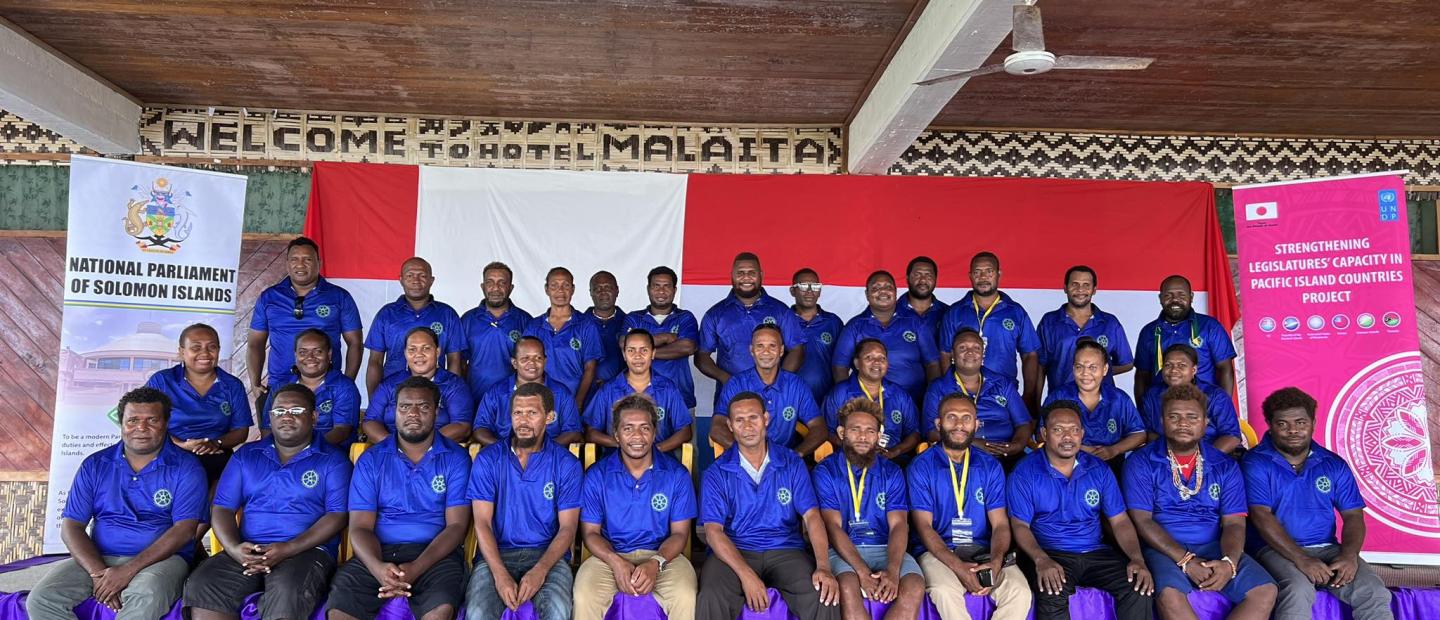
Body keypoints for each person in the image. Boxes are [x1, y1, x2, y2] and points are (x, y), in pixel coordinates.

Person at [28, 388, 206, 620]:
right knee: (42, 599)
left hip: (162, 560)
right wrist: (99, 575)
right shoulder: (95, 465)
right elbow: (71, 526)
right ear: (120, 422)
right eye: (132, 420)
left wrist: (127, 571)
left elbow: (184, 531)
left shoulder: (187, 467)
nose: (141, 428)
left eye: (152, 420)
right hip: (100, 557)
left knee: (147, 594)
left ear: (166, 422)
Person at [185, 384, 351, 620]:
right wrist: (234, 549)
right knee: (205, 582)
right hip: (248, 549)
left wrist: (288, 548)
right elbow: (222, 507)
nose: (286, 417)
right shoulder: (247, 455)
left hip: (306, 551)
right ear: (270, 417)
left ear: (313, 417)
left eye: (296, 411)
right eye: (279, 411)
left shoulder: (333, 460)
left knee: (288, 590)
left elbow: (338, 515)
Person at [1124, 384, 1276, 620]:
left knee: (1265, 591)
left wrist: (1229, 563)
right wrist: (1185, 560)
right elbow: (1142, 521)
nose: (1183, 423)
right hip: (1163, 549)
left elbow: (1234, 523)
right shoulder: (1141, 462)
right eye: (1174, 417)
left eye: (1192, 417)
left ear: (1205, 423)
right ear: (1162, 421)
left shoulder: (1225, 465)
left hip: (1213, 545)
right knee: (1169, 595)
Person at [326, 377, 470, 620]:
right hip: (377, 552)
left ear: (436, 411)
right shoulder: (372, 460)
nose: (413, 413)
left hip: (436, 555)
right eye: (404, 407)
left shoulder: (456, 459)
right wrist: (377, 568)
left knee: (440, 611)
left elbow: (456, 526)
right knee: (340, 611)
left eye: (423, 407)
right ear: (394, 411)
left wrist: (416, 568)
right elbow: (360, 526)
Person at [1244, 387, 1392, 620]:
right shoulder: (1256, 462)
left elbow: (1353, 515)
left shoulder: (1333, 464)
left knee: (1373, 592)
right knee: (1297, 590)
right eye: (1282, 424)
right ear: (1270, 425)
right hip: (1272, 549)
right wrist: (1302, 559)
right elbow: (1261, 516)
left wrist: (1349, 555)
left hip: (1327, 548)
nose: (1293, 430)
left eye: (1301, 422)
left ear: (1313, 422)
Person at [697, 392, 839, 620]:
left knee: (823, 594)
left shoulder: (792, 462)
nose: (747, 426)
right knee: (711, 596)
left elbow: (812, 517)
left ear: (766, 419)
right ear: (730, 426)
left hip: (786, 549)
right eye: (739, 420)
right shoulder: (717, 472)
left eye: (753, 417)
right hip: (736, 550)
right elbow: (713, 533)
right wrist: (746, 575)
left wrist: (823, 566)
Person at [1007, 401, 1153, 620]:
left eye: (1074, 430)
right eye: (1058, 430)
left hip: (1095, 552)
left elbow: (1120, 521)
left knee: (1138, 587)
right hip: (1051, 552)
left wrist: (1137, 559)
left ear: (1082, 433)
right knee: (1052, 590)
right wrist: (1040, 559)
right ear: (1044, 434)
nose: (1068, 437)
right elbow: (1019, 525)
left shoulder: (1099, 468)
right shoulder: (1025, 472)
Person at [575, 394, 698, 620]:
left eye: (644, 428)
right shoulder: (597, 476)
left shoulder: (676, 475)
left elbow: (680, 534)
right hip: (608, 556)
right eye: (628, 428)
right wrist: (615, 561)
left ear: (654, 433)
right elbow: (590, 534)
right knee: (584, 595)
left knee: (685, 594)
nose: (637, 436)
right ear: (616, 434)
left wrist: (656, 562)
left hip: (663, 556)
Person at [909, 394, 1032, 620]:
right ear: (938, 424)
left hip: (983, 550)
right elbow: (924, 528)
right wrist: (958, 567)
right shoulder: (921, 466)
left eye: (966, 418)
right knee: (944, 592)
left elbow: (1000, 524)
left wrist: (995, 561)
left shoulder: (990, 466)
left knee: (1020, 592)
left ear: (977, 424)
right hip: (939, 552)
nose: (959, 425)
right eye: (951, 417)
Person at [467, 382, 583, 620]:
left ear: (549, 417)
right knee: (478, 612)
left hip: (547, 555)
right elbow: (482, 523)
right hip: (497, 555)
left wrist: (540, 570)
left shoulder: (566, 464)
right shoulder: (488, 460)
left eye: (532, 413)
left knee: (558, 611)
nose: (523, 420)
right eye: (517, 413)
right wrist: (499, 575)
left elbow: (568, 528)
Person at [815, 398, 925, 620]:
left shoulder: (892, 471)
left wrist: (893, 571)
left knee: (913, 587)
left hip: (886, 547)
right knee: (847, 586)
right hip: (843, 548)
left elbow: (898, 525)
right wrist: (863, 573)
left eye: (870, 431)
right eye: (855, 430)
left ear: (878, 435)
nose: (863, 436)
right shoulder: (825, 471)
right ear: (842, 432)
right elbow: (833, 528)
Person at [248, 236, 363, 407]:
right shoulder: (269, 297)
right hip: (281, 385)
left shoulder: (340, 297)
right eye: (294, 259)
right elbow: (255, 344)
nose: (300, 265)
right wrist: (254, 384)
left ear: (319, 263)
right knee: (280, 433)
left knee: (330, 433)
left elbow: (355, 343)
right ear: (287, 264)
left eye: (307, 259)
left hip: (327, 386)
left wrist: (347, 382)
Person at [145, 323, 251, 484]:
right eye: (196, 347)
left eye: (212, 347)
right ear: (181, 352)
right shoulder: (162, 381)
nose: (205, 353)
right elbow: (147, 422)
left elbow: (241, 431)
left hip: (216, 455)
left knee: (226, 488)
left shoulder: (232, 385)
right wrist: (181, 444)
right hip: (169, 453)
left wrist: (215, 443)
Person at [938, 252, 1041, 410]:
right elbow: (945, 354)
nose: (983, 277)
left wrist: (1029, 394)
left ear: (999, 274)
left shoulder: (1016, 312)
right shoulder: (955, 312)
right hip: (961, 395)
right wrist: (949, 390)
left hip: (1003, 394)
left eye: (989, 271)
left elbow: (1030, 354)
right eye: (977, 272)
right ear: (970, 276)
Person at [697, 252, 806, 397]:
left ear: (761, 274)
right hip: (731, 395)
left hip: (772, 396)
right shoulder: (715, 314)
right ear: (732, 275)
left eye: (751, 272)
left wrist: (779, 381)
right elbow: (701, 356)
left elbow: (797, 350)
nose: (746, 277)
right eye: (740, 273)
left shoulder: (781, 311)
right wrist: (727, 379)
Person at [923, 328, 1031, 470]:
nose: (970, 352)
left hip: (1004, 455)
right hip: (957, 454)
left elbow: (1023, 423)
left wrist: (1015, 446)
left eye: (976, 348)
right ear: (952, 354)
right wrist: (973, 443)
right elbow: (931, 432)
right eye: (962, 347)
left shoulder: (1002, 383)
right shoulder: (938, 387)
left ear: (983, 354)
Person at [713, 324, 827, 456]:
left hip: (785, 462)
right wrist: (748, 455)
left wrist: (796, 456)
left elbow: (819, 428)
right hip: (744, 461)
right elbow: (717, 428)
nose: (766, 352)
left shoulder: (796, 385)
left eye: (772, 346)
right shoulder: (736, 384)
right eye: (760, 346)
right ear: (752, 350)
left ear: (781, 350)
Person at [832, 270, 941, 406]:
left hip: (914, 403)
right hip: (867, 407)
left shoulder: (915, 322)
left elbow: (933, 364)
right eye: (876, 288)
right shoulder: (855, 327)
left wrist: (932, 399)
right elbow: (839, 367)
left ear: (896, 292)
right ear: (867, 294)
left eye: (888, 287)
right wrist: (848, 400)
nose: (883, 291)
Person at [1042, 339, 1146, 475]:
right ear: (1073, 368)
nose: (1085, 373)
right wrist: (1080, 448)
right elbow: (1042, 434)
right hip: (1067, 464)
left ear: (1105, 369)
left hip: (1112, 465)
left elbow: (1139, 434)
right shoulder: (1058, 397)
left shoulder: (1118, 398)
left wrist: (1113, 450)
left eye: (1092, 367)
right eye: (1079, 367)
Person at [364, 257, 464, 395]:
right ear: (401, 279)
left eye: (422, 275)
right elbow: (375, 361)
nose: (416, 280)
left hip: (435, 393)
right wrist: (374, 402)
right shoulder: (386, 314)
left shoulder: (448, 314)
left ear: (431, 280)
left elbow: (454, 360)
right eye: (410, 275)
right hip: (392, 393)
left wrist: (452, 396)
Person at [584, 329, 693, 455]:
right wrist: (626, 446)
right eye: (631, 350)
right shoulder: (608, 390)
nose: (637, 356)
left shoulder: (668, 389)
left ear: (653, 353)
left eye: (644, 350)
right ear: (624, 355)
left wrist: (654, 450)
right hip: (617, 461)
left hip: (659, 462)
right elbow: (591, 433)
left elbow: (685, 431)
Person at [363, 327, 474, 444]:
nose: (419, 354)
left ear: (437, 352)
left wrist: (423, 446)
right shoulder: (389, 384)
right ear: (405, 353)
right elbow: (370, 421)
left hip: (437, 453)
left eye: (426, 348)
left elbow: (462, 426)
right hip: (392, 452)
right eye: (412, 349)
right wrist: (396, 447)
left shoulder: (454, 385)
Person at [1133, 275, 1237, 398]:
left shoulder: (1210, 326)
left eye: (1181, 295)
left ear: (1191, 297)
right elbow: (1142, 376)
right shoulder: (1148, 332)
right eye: (1168, 295)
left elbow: (1225, 368)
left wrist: (1222, 408)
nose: (1175, 300)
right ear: (1160, 298)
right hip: (1160, 408)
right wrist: (1142, 414)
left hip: (1205, 407)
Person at [1035, 265, 1133, 392]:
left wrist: (1095, 372)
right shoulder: (1049, 322)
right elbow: (1040, 366)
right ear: (1065, 288)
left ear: (1094, 290)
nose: (1080, 289)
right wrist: (1035, 405)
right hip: (1061, 402)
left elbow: (1127, 363)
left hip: (1102, 404)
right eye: (1074, 284)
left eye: (1086, 285)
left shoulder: (1110, 323)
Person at [471, 336, 582, 447]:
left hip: (549, 459)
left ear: (545, 361)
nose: (532, 363)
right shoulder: (496, 392)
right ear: (514, 363)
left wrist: (543, 451)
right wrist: (506, 450)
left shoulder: (561, 393)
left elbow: (573, 432)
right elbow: (480, 429)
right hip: (504, 457)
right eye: (525, 359)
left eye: (538, 358)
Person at [822, 339, 921, 461]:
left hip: (892, 462)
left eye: (882, 358)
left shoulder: (899, 395)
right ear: (857, 363)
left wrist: (894, 451)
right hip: (849, 460)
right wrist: (856, 449)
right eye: (869, 358)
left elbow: (914, 433)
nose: (877, 362)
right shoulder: (840, 393)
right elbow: (826, 431)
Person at [262, 328, 359, 445]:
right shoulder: (280, 388)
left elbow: (342, 430)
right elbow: (267, 428)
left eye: (317, 351)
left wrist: (306, 450)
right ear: (295, 355)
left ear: (329, 354)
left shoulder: (344, 387)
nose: (310, 357)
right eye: (303, 352)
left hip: (328, 455)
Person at [1139, 344, 1242, 454]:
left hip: (1211, 457)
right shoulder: (1152, 395)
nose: (1174, 370)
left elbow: (1231, 437)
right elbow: (1148, 433)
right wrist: (1171, 458)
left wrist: (1201, 460)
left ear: (1193, 370)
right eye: (1168, 365)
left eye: (1181, 365)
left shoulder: (1215, 396)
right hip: (1166, 458)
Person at [524, 266, 603, 407]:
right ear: (546, 289)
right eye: (554, 285)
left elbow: (590, 368)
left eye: (565, 285)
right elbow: (525, 367)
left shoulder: (586, 325)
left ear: (572, 289)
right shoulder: (534, 326)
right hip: (542, 401)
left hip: (577, 398)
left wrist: (577, 403)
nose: (560, 290)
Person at [624, 266, 700, 410]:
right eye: (656, 286)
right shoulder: (634, 318)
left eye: (667, 286)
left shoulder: (685, 317)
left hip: (681, 398)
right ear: (648, 289)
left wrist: (640, 352)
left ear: (674, 290)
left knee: (684, 433)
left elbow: (687, 347)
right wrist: (665, 337)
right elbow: (623, 343)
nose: (661, 291)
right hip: (638, 400)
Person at [459, 261, 534, 398]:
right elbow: (460, 363)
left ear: (510, 288)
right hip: (475, 397)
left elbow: (532, 364)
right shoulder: (468, 320)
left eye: (502, 283)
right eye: (490, 282)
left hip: (514, 399)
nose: (496, 288)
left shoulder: (525, 320)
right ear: (482, 286)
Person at [789, 268, 843, 403]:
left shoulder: (833, 322)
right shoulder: (783, 320)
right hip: (789, 401)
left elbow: (843, 362)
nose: (809, 291)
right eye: (803, 286)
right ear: (792, 291)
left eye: (815, 286)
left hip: (826, 400)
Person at [585, 270, 627, 386]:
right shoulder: (578, 323)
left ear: (617, 290)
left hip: (622, 393)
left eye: (608, 287)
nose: (603, 292)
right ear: (591, 292)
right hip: (584, 393)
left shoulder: (630, 323)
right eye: (598, 289)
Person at [897, 256, 949, 342]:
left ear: (935, 279)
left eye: (928, 275)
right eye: (917, 275)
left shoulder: (949, 313)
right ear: (907, 278)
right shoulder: (891, 312)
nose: (923, 280)